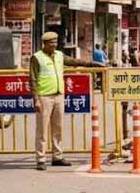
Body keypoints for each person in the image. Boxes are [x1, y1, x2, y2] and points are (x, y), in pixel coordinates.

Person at [29, 32, 96, 171]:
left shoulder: (59, 55)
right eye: (50, 43)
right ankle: (41, 159)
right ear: (44, 44)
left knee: (58, 128)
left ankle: (57, 156)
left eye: (55, 42)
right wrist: (35, 99)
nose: (53, 45)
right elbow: (33, 80)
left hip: (59, 95)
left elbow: (73, 61)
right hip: (44, 97)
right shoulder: (36, 58)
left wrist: (90, 63)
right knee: (41, 130)